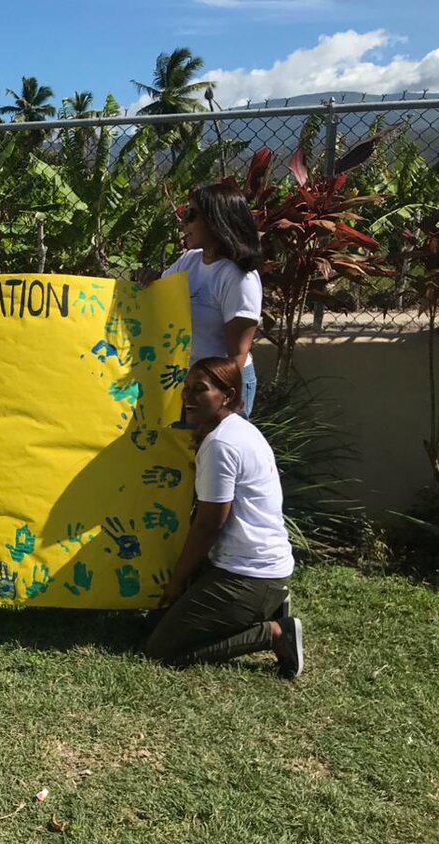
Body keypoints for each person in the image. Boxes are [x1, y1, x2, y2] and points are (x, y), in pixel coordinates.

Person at [144, 356, 303, 678]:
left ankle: (273, 631)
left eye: (200, 390)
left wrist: (177, 581)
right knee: (154, 625)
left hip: (248, 574)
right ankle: (261, 608)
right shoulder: (238, 428)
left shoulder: (221, 444)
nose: (187, 397)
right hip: (251, 567)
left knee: (161, 649)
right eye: (186, 389)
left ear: (227, 395)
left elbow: (209, 524)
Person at [163, 183, 264, 416]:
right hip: (192, 384)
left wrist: (221, 406)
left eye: (191, 215)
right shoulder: (189, 261)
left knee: (215, 449)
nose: (183, 223)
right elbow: (161, 296)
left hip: (221, 388)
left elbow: (237, 354)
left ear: (215, 219)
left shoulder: (238, 277)